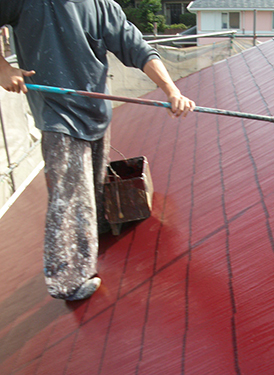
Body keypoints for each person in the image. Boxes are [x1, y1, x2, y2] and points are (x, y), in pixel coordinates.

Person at [0, 0, 195, 301]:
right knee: (69, 197)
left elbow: (138, 48)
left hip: (96, 110)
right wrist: (2, 67)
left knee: (94, 183)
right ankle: (68, 280)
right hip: (57, 116)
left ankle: (100, 228)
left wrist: (172, 91)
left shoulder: (102, 6)